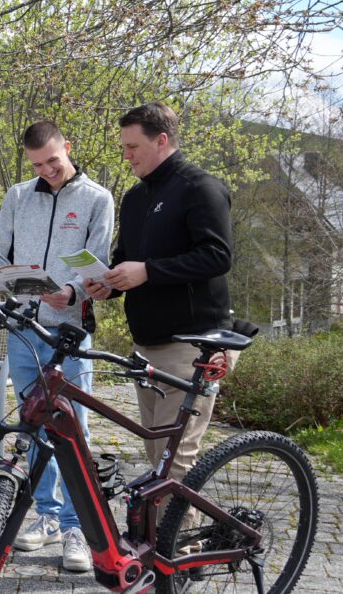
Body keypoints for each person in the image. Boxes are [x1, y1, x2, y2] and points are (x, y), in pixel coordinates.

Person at [0, 120, 114, 571]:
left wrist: (73, 291)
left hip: (69, 333)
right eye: (37, 165)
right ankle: (48, 515)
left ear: (67, 147)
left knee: (73, 430)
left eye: (53, 160)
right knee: (32, 427)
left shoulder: (98, 198)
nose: (47, 170)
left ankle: (77, 528)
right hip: (23, 328)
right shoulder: (17, 196)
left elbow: (99, 263)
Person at [84, 101, 237, 488]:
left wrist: (148, 271)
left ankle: (179, 532)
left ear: (162, 140)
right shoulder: (135, 198)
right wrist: (107, 284)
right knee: (158, 458)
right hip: (146, 348)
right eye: (124, 147)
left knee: (173, 465)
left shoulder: (201, 188)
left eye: (133, 146)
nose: (126, 155)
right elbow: (126, 260)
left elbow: (218, 256)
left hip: (192, 346)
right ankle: (177, 526)